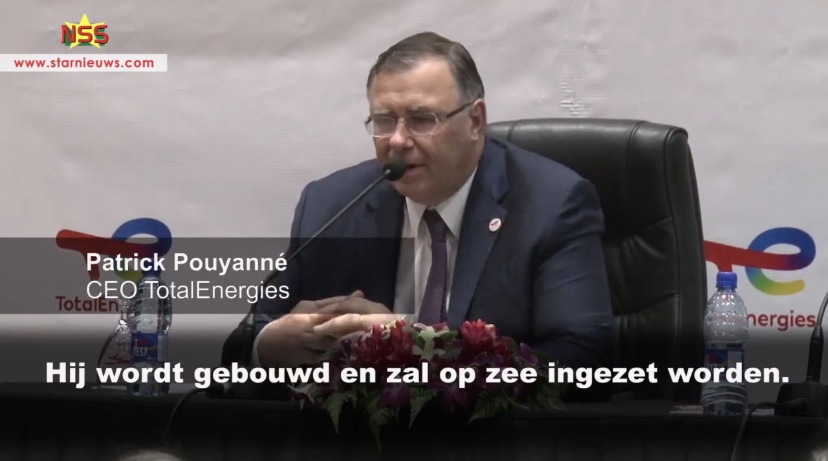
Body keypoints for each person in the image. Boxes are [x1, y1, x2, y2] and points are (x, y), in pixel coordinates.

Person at [221, 31, 614, 371]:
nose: (397, 140)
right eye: (384, 120)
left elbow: (583, 357)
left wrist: (413, 345)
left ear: (475, 121)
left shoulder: (552, 204)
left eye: (422, 119)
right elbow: (245, 341)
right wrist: (267, 346)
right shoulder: (331, 204)